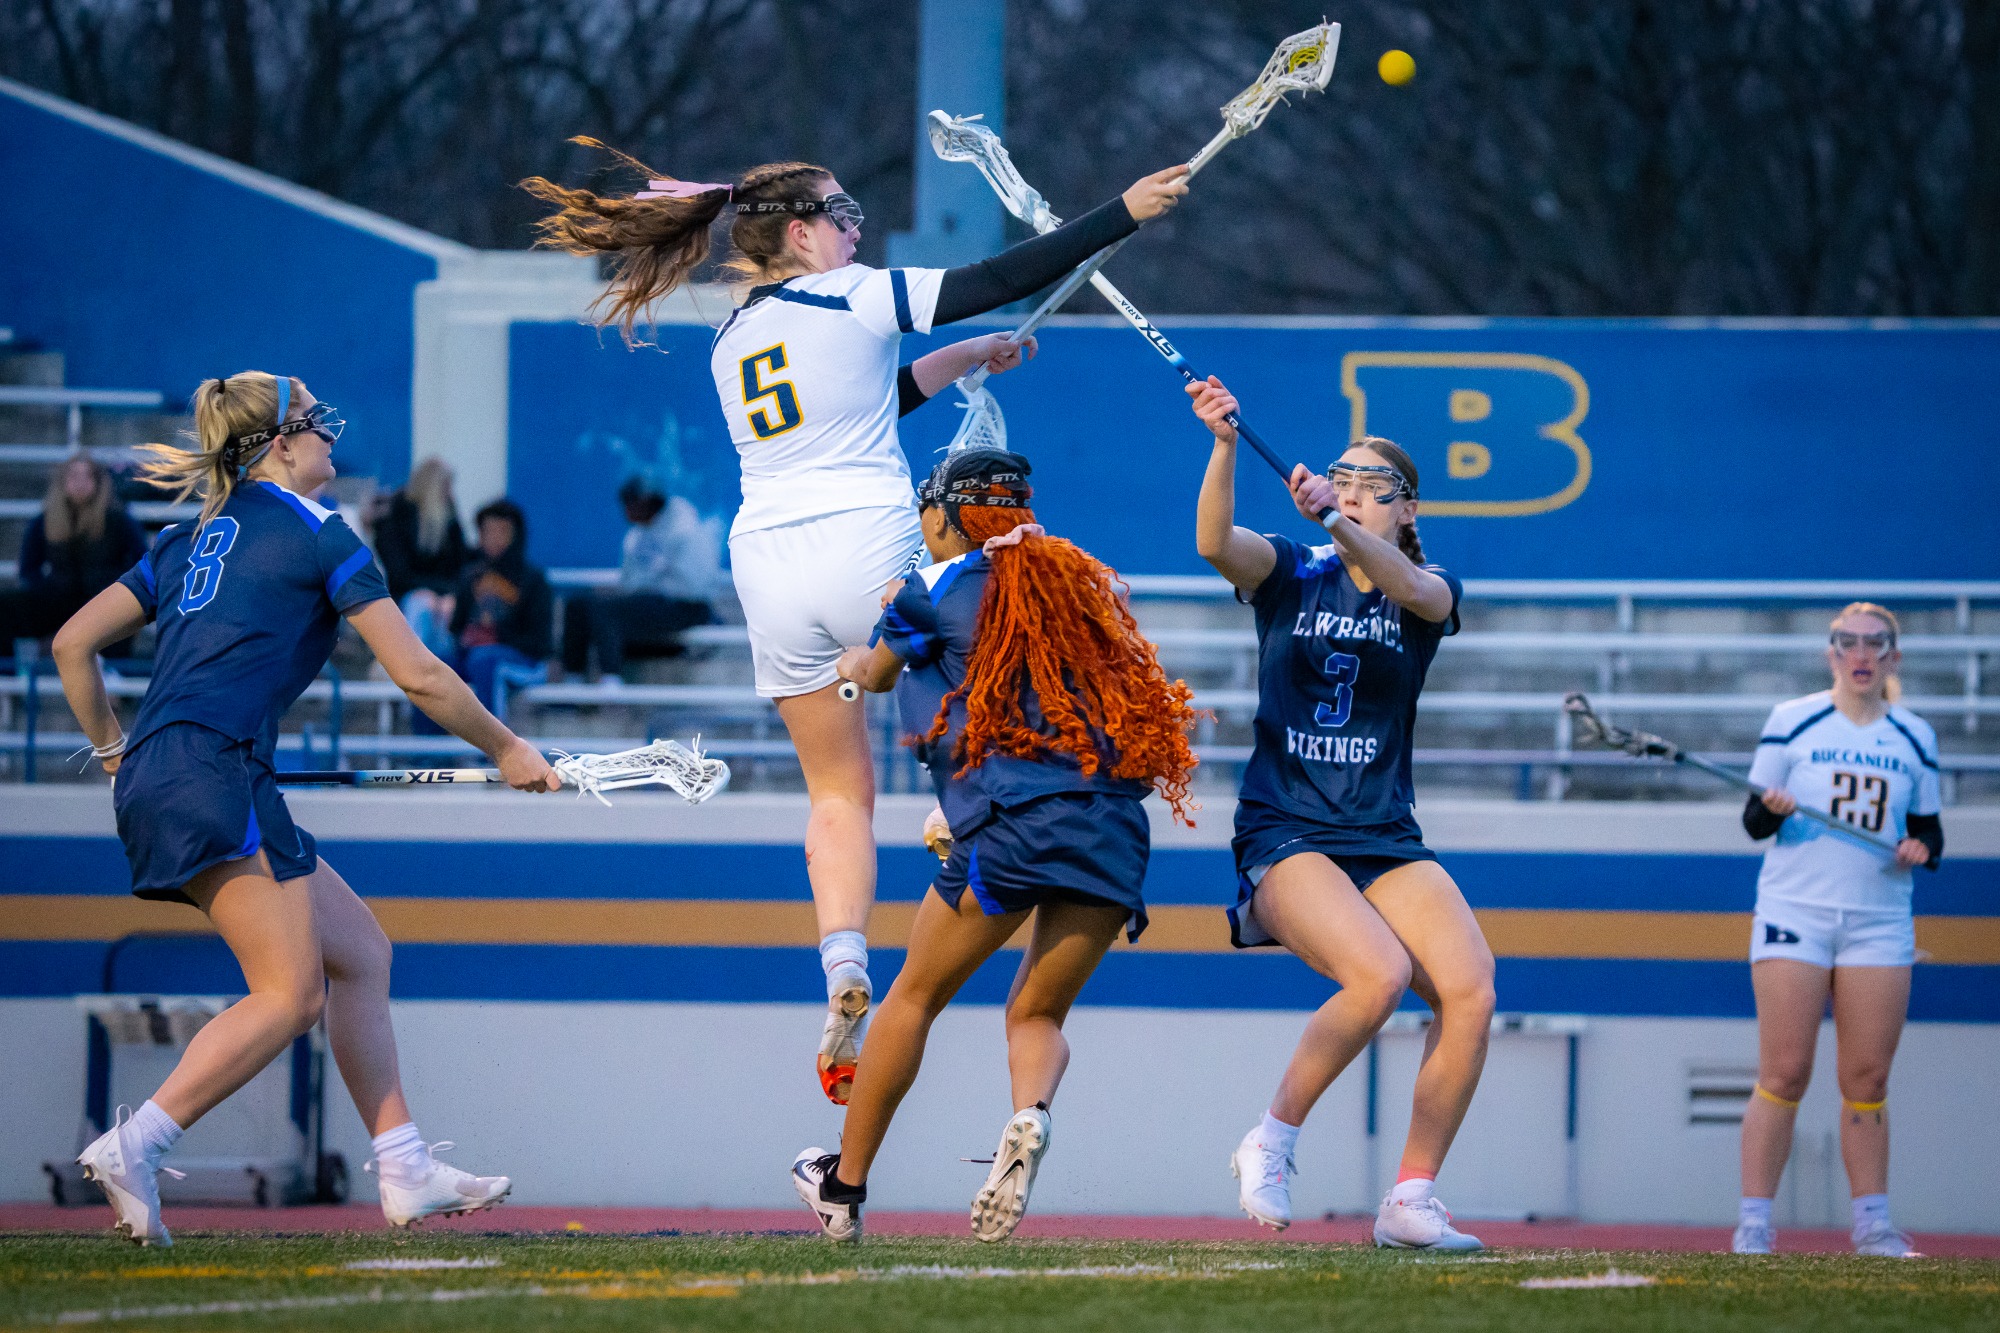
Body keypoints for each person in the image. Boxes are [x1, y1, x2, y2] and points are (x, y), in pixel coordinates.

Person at [523, 142, 1189, 1103]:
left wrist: (959, 360)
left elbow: (855, 410)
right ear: (800, 232)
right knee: (1013, 658)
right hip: (870, 541)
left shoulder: (731, 340)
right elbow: (997, 276)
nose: (857, 232)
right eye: (844, 217)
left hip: (768, 562)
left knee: (837, 792)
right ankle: (959, 822)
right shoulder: (856, 295)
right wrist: (1120, 208)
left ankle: (842, 964)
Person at [52, 371, 560, 1248]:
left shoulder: (186, 538)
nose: (330, 431)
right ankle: (135, 1144)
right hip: (218, 773)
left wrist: (115, 759)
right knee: (289, 996)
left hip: (178, 772)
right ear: (277, 445)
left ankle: (403, 1166)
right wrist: (509, 748)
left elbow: (71, 644)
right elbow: (421, 673)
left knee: (360, 953)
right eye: (312, 420)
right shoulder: (324, 534)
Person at [788, 447, 1198, 1242]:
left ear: (945, 515)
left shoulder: (932, 585)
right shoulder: (1079, 583)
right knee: (1036, 1011)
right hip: (1113, 827)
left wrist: (853, 652)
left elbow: (875, 672)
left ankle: (843, 1184)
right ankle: (1030, 1113)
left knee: (913, 996)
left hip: (1014, 823)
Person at [1187, 375, 1496, 1252]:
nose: (1352, 486)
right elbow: (1213, 541)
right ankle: (1272, 1135)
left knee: (1470, 991)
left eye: (1374, 484)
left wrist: (1339, 519)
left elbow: (1411, 586)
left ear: (1407, 509)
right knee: (1380, 976)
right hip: (1286, 825)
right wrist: (1220, 443)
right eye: (1341, 475)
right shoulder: (1291, 571)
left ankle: (1410, 1198)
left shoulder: (1426, 588)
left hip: (1383, 833)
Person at [1732, 602, 1943, 1259]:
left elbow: (1930, 830)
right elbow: (1753, 822)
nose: (1862, 654)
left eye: (1875, 644)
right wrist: (1774, 808)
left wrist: (1920, 849)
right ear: (1832, 653)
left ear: (1891, 657)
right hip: (1796, 912)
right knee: (1785, 1070)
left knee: (1868, 1076)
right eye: (1848, 642)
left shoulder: (1914, 735)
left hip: (1879, 920)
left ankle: (1873, 1225)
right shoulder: (1792, 720)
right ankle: (1755, 1224)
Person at [560, 470, 720, 681]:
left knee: (607, 611)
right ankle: (572, 680)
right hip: (649, 603)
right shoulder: (636, 536)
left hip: (684, 606)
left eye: (630, 504)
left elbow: (694, 588)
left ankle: (610, 680)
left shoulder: (686, 529)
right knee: (578, 603)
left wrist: (646, 589)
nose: (626, 512)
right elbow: (631, 582)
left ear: (646, 502)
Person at [0, 453, 147, 656]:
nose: (80, 483)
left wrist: (116, 587)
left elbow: (140, 560)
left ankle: (115, 674)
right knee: (5, 606)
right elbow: (28, 568)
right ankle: (7, 678)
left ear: (98, 482)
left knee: (123, 615)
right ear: (63, 482)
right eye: (74, 477)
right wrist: (45, 588)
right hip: (57, 598)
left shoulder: (118, 519)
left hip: (103, 599)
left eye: (87, 477)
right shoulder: (44, 520)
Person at [447, 499, 554, 712]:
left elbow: (540, 643)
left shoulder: (533, 580)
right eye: (487, 531)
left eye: (501, 531)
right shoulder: (470, 577)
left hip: (523, 661)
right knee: (438, 664)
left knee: (485, 661)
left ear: (516, 535)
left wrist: (496, 637)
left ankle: (491, 742)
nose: (493, 538)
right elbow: (456, 628)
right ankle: (429, 743)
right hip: (474, 656)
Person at [371, 457, 468, 658]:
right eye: (445, 486)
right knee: (422, 605)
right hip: (406, 595)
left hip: (442, 595)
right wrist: (434, 593)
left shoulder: (449, 523)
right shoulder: (396, 522)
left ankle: (447, 668)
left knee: (450, 607)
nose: (450, 493)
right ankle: (409, 663)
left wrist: (444, 595)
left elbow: (460, 566)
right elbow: (400, 575)